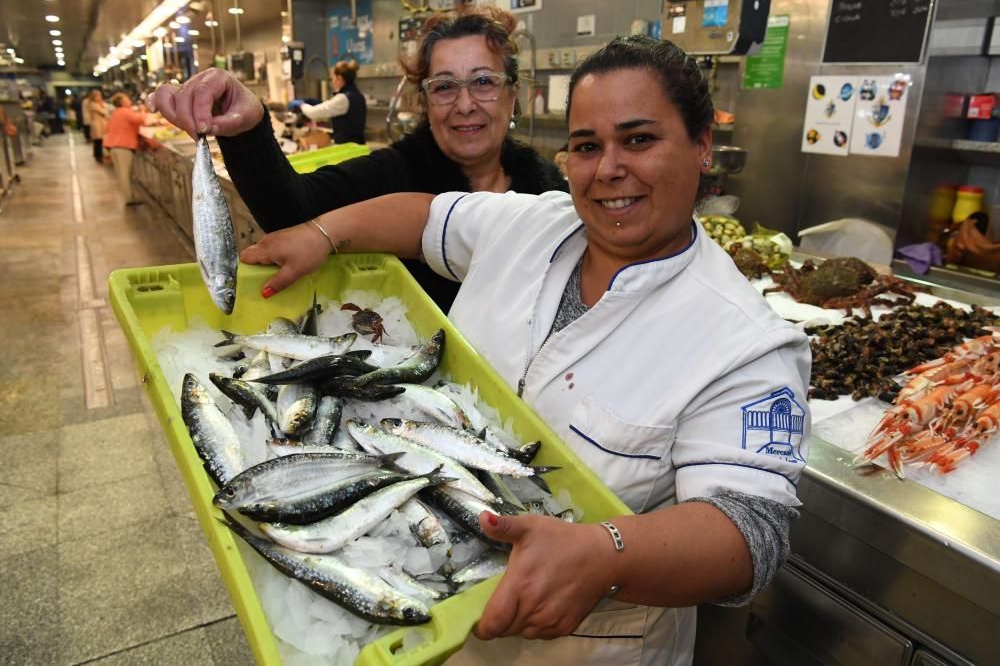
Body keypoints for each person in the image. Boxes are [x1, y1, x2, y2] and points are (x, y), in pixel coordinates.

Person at [237, 36, 812, 665]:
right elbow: (425, 217)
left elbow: (748, 534)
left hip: (587, 643)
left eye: (639, 139)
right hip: (440, 608)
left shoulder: (747, 343)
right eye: (587, 146)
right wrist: (325, 232)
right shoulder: (533, 223)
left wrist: (608, 551)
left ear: (703, 146)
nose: (608, 168)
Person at [147, 6, 566, 312]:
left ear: (513, 95)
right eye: (443, 87)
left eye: (483, 82)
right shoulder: (393, 173)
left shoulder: (547, 188)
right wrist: (249, 127)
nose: (465, 104)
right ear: (424, 101)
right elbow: (291, 209)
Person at [299, 59, 367, 145]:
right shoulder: (358, 95)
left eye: (333, 78)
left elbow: (312, 113)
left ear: (339, 78)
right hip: (358, 146)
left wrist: (301, 105)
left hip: (347, 148)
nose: (332, 81)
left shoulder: (343, 99)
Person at [103, 93, 148, 206]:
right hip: (123, 147)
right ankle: (129, 198)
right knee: (125, 175)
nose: (129, 100)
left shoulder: (115, 113)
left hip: (114, 147)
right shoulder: (125, 111)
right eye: (127, 98)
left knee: (122, 174)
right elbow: (140, 120)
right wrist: (143, 110)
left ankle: (129, 196)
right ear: (122, 102)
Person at [87, 90, 109, 164]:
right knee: (98, 141)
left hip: (101, 124)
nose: (99, 97)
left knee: (100, 141)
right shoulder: (93, 104)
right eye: (97, 96)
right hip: (97, 125)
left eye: (100, 95)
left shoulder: (99, 103)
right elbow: (104, 111)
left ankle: (100, 155)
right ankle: (98, 156)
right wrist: (103, 106)